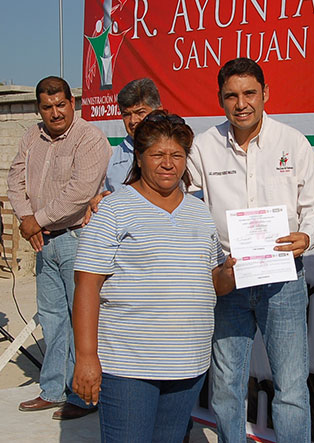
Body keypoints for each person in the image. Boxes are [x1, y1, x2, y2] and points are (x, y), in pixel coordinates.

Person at [71, 110, 236, 442]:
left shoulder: (200, 211)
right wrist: (87, 358)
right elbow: (87, 287)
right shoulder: (114, 210)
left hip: (188, 365)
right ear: (140, 156)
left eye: (176, 155)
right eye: (157, 154)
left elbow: (214, 283)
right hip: (129, 367)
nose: (168, 163)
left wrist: (232, 271)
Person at [187, 57, 314, 443]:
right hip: (229, 279)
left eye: (250, 93)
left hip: (282, 279)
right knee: (227, 384)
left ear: (266, 94)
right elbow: (175, 193)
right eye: (231, 96)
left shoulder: (291, 142)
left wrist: (308, 236)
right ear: (220, 99)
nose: (241, 103)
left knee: (292, 389)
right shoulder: (203, 146)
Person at [7, 76, 111, 419]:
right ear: (39, 108)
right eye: (47, 107)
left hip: (75, 240)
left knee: (81, 319)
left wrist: (38, 219)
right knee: (52, 320)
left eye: (61, 105)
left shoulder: (89, 138)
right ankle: (53, 389)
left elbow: (81, 191)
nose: (54, 113)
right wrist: (26, 217)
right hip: (43, 243)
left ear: (72, 103)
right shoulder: (31, 137)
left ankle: (84, 397)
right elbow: (14, 178)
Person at [104, 78, 162, 192]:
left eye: (140, 113)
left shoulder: (178, 147)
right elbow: (106, 193)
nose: (132, 121)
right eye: (126, 115)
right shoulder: (118, 153)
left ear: (158, 111)